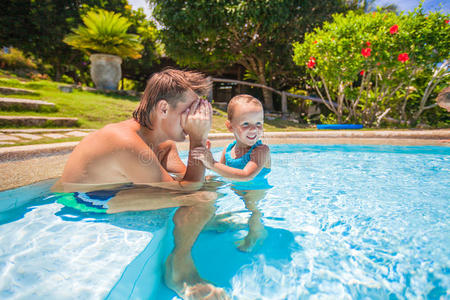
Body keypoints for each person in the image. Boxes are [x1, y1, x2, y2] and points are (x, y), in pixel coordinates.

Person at [52, 68, 229, 300]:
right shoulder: (127, 143)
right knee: (200, 197)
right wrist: (197, 138)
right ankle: (179, 265)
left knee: (209, 185)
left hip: (118, 191)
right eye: (189, 112)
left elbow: (191, 179)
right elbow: (189, 189)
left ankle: (200, 225)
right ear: (163, 108)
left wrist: (201, 153)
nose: (194, 120)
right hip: (82, 199)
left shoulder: (162, 143)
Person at [192, 94, 272, 252]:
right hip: (234, 186)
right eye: (246, 124)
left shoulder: (262, 150)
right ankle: (212, 220)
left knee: (252, 208)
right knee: (209, 192)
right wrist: (207, 180)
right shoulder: (228, 150)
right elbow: (220, 173)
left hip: (254, 189)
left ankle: (257, 232)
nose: (253, 129)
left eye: (258, 123)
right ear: (230, 126)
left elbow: (246, 175)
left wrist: (211, 163)